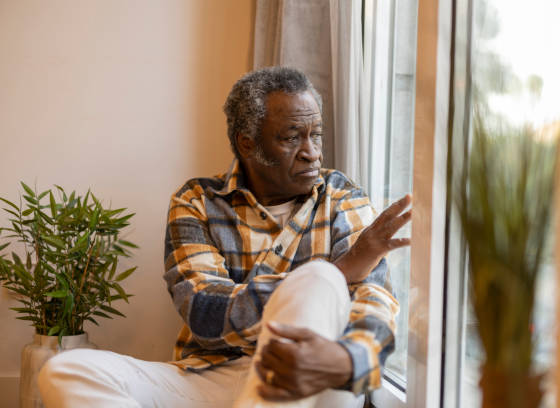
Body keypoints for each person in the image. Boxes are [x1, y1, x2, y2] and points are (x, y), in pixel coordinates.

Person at [38, 66, 411, 408]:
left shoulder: (340, 195)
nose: (311, 153)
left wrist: (347, 358)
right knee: (64, 370)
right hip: (209, 377)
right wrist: (341, 270)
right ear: (247, 143)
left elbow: (374, 298)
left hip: (310, 379)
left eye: (315, 135)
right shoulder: (197, 201)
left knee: (319, 281)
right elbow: (203, 311)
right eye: (292, 137)